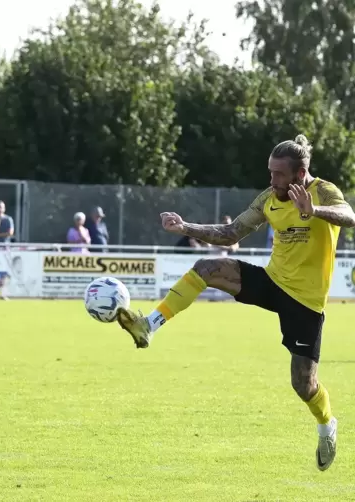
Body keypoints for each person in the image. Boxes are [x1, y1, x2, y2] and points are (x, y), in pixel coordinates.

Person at [116, 135, 355, 472]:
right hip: (272, 282)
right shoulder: (268, 198)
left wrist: (314, 211)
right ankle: (149, 326)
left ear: (301, 174)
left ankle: (327, 424)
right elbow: (231, 234)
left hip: (306, 301)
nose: (272, 181)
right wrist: (186, 227)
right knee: (206, 267)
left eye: (279, 175)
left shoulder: (323, 191)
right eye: (270, 173)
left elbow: (349, 215)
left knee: (303, 384)